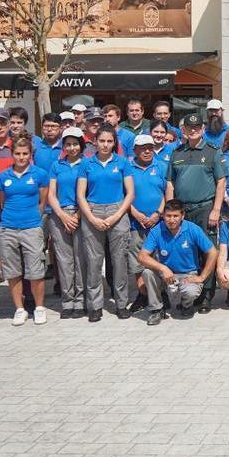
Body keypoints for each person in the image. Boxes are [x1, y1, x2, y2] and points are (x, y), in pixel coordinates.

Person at [76, 127, 135, 322]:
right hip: (92, 211)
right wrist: (92, 218)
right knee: (94, 262)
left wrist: (116, 215)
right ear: (95, 142)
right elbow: (80, 195)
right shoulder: (86, 163)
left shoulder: (123, 162)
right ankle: (95, 305)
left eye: (109, 141)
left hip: (117, 211)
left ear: (114, 142)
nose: (105, 145)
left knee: (119, 261)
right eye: (102, 141)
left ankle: (121, 303)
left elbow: (130, 193)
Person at [0, 136, 49, 326]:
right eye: (17, 153)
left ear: (30, 155)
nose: (21, 157)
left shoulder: (40, 174)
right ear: (12, 154)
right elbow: (1, 203)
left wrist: (32, 218)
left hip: (31, 228)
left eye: (25, 153)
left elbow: (42, 202)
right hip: (8, 228)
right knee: (13, 271)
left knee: (35, 270)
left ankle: (39, 307)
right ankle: (20, 308)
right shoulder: (3, 177)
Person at [137, 199, 216, 324]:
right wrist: (162, 268)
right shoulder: (157, 231)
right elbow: (142, 256)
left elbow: (212, 252)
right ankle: (157, 310)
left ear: (182, 216)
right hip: (167, 275)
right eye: (168, 216)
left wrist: (202, 277)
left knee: (190, 292)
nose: (171, 220)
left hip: (188, 274)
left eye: (175, 216)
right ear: (163, 215)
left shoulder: (192, 229)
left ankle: (186, 305)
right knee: (147, 273)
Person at [46, 128, 86, 319]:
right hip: (59, 216)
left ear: (81, 145)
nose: (71, 148)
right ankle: (67, 300)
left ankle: (80, 300)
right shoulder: (56, 165)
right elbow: (51, 194)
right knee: (64, 261)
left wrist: (77, 215)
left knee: (80, 259)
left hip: (82, 215)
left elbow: (89, 193)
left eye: (75, 144)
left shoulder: (87, 164)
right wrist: (62, 215)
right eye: (68, 144)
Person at [166, 113, 228, 232]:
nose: (193, 130)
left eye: (197, 127)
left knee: (207, 248)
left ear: (203, 129)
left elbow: (221, 182)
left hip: (205, 210)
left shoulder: (213, 151)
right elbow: (170, 183)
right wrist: (170, 211)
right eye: (190, 127)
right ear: (184, 130)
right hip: (181, 210)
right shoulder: (176, 153)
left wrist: (216, 210)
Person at [127, 134, 168, 313]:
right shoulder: (127, 168)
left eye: (150, 147)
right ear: (135, 150)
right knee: (137, 261)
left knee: (158, 258)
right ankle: (143, 294)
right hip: (135, 222)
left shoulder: (161, 166)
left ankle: (161, 294)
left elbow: (167, 193)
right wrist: (136, 214)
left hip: (158, 222)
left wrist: (158, 214)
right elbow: (123, 194)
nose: (147, 151)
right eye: (143, 148)